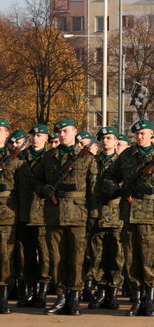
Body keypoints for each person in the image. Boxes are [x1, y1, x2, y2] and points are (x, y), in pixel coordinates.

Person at [100, 119, 154, 317]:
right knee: (131, 259)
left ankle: (149, 301)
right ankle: (136, 300)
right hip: (128, 214)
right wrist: (118, 190)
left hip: (151, 216)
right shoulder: (126, 155)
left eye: (143, 133)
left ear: (151, 134)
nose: (139, 137)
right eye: (137, 134)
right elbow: (107, 177)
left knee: (149, 260)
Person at [34, 118, 98, 316]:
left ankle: (74, 298)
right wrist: (42, 188)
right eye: (59, 131)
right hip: (54, 215)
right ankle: (61, 297)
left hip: (78, 215)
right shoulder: (49, 156)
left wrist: (94, 215)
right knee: (57, 259)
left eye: (66, 131)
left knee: (77, 259)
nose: (62, 134)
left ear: (75, 132)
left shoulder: (86, 157)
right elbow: (36, 180)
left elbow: (94, 190)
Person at [87, 127, 123, 310]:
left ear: (116, 141)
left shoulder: (123, 163)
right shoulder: (92, 162)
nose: (105, 141)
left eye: (109, 138)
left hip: (117, 216)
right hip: (97, 214)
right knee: (98, 256)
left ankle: (113, 293)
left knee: (116, 256)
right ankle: (101, 292)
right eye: (102, 138)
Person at [16, 124, 50, 309]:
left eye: (39, 135)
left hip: (44, 214)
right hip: (24, 212)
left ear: (46, 138)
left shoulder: (51, 157)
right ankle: (29, 292)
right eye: (33, 135)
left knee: (45, 255)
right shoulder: (21, 157)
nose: (35, 138)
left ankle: (42, 293)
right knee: (26, 255)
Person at [0, 120, 30, 314]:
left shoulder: (16, 160)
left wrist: (22, 217)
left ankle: (2, 298)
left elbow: (24, 191)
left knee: (4, 257)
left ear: (6, 134)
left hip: (6, 214)